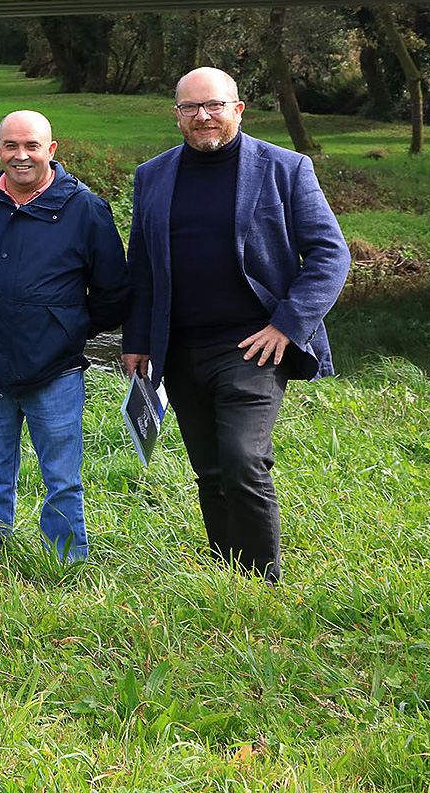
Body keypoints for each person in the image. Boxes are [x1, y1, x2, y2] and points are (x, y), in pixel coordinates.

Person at [122, 67, 350, 582]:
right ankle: (232, 576)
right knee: (210, 468)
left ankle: (262, 581)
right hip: (178, 347)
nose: (203, 116)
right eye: (191, 108)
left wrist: (287, 326)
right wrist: (136, 338)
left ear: (237, 109)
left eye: (214, 106)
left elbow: (330, 255)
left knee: (244, 459)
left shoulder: (285, 168)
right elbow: (144, 267)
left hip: (253, 346)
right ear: (176, 115)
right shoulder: (153, 175)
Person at [0, 110, 131, 561]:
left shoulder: (86, 209)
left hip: (56, 370)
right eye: (11, 146)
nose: (20, 156)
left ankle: (65, 559)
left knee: (62, 477)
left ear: (51, 150)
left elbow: (112, 291)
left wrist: (66, 328)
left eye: (31, 146)